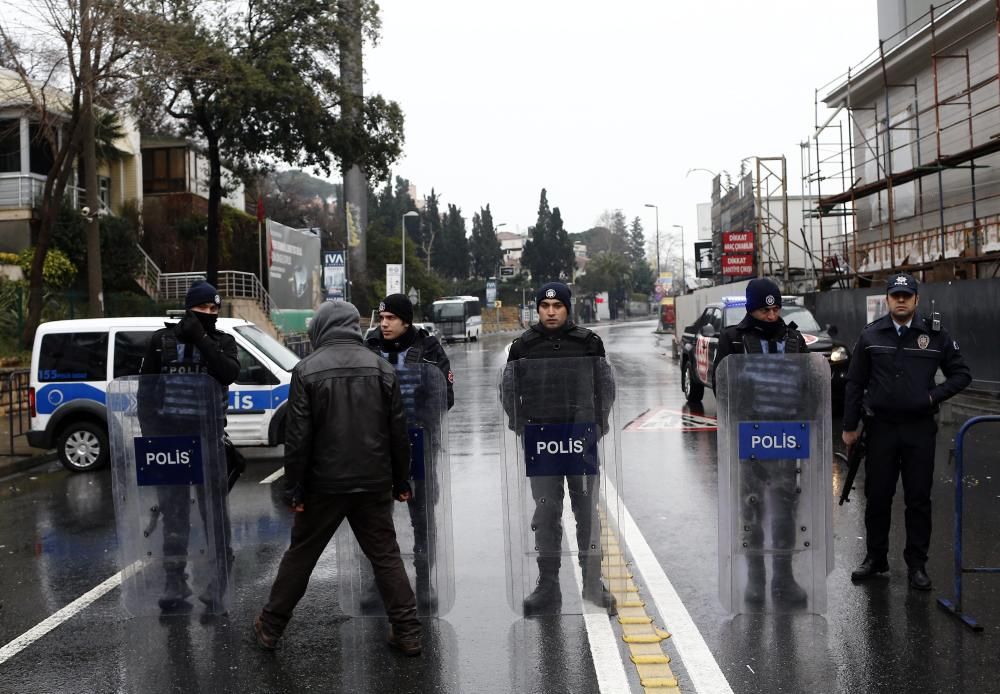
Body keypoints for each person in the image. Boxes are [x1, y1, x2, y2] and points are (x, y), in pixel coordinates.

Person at [253, 301, 422, 655]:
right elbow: (397, 432)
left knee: (301, 555)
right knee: (385, 555)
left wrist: (294, 487)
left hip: (322, 485)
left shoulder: (307, 369)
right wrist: (401, 479)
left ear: (322, 328)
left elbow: (298, 438)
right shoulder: (381, 367)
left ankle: (270, 628)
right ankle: (407, 631)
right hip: (373, 481)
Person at [843, 272, 970, 590]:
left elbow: (961, 374)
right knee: (877, 497)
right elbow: (855, 383)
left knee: (918, 499)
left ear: (916, 299)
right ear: (887, 299)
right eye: (895, 295)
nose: (901, 300)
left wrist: (932, 396)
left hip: (918, 430)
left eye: (907, 295)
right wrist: (848, 427)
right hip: (881, 429)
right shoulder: (871, 335)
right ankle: (876, 559)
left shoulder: (935, 335)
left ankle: (917, 565)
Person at [504, 281, 616, 616]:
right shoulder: (523, 346)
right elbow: (509, 390)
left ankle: (593, 583)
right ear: (537, 309)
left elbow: (604, 386)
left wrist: (598, 424)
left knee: (586, 514)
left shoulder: (588, 343)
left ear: (567, 308)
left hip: (580, 438)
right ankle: (548, 587)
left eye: (557, 306)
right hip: (542, 441)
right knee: (547, 513)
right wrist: (521, 425)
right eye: (544, 307)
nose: (551, 312)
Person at [139, 280, 240, 611]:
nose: (209, 314)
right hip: (171, 442)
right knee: (174, 515)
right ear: (188, 308)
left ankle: (218, 580)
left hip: (208, 440)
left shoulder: (223, 342)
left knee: (214, 514)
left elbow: (227, 373)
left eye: (215, 310)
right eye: (203, 309)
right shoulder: (161, 342)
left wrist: (201, 338)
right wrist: (154, 440)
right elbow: (146, 397)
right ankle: (173, 582)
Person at [713, 278, 810, 607]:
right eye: (763, 309)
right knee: (752, 511)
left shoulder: (794, 339)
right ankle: (756, 580)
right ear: (750, 308)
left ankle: (784, 579)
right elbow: (721, 385)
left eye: (775, 308)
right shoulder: (733, 339)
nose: (771, 315)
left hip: (787, 439)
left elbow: (810, 384)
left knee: (785, 513)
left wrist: (808, 418)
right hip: (750, 438)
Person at [365, 293, 454, 610]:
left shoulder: (428, 348)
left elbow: (446, 394)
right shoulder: (371, 347)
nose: (384, 324)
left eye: (390, 318)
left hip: (419, 444)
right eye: (382, 318)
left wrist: (424, 426)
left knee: (422, 518)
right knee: (376, 520)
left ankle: (423, 581)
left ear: (406, 320)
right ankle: (377, 585)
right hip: (378, 447)